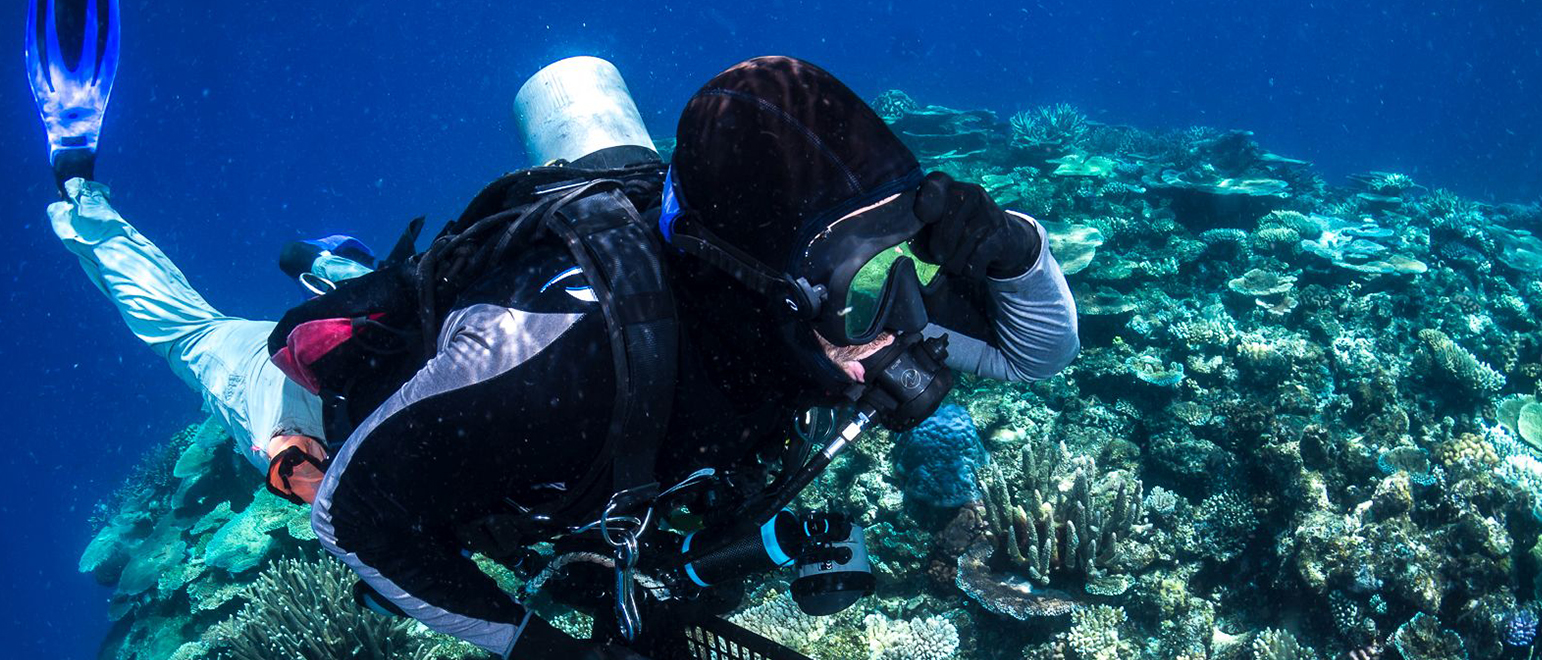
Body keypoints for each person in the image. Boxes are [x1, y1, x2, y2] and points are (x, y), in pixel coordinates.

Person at [303, 55, 1079, 658]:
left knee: (593, 108)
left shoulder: (810, 304)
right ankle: (322, 278)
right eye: (852, 280)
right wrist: (533, 647)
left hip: (675, 249)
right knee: (225, 352)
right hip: (489, 359)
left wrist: (1012, 251)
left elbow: (1034, 356)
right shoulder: (553, 360)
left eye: (893, 253)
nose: (890, 332)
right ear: (755, 285)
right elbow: (350, 514)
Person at [33, 0, 341, 503]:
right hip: (288, 378)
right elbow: (297, 462)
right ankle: (81, 194)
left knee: (192, 336)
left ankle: (324, 265)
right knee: (188, 337)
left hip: (322, 359)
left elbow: (301, 465)